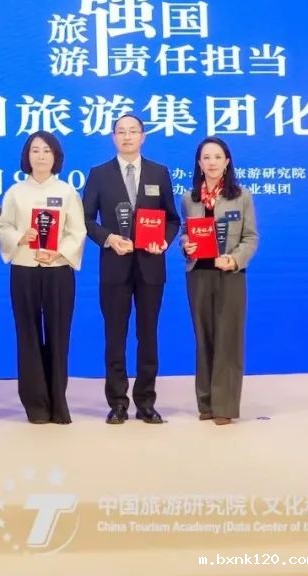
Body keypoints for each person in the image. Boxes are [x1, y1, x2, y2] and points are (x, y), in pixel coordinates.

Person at [82, 114, 179, 425]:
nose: (127, 137)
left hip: (151, 266)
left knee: (148, 335)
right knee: (115, 336)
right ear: (113, 137)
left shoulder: (159, 173)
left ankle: (146, 402)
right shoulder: (99, 174)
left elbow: (172, 219)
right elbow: (85, 219)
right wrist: (108, 238)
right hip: (115, 266)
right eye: (121, 132)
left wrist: (163, 241)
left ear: (143, 136)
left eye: (133, 131)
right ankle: (117, 403)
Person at [0, 131, 87, 424]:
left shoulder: (67, 192)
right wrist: (20, 237)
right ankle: (35, 405)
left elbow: (77, 232)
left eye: (47, 150)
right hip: (24, 269)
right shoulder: (15, 192)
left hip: (58, 271)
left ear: (56, 156)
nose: (41, 156)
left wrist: (59, 252)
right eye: (35, 150)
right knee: (28, 336)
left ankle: (58, 403)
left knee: (59, 336)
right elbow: (2, 227)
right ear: (27, 156)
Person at [180, 137, 259, 426]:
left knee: (228, 339)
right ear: (199, 164)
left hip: (230, 275)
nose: (211, 162)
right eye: (206, 157)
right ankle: (206, 403)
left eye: (217, 157)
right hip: (198, 275)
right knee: (204, 338)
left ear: (227, 162)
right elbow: (185, 233)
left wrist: (235, 259)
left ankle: (224, 405)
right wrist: (186, 244)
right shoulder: (190, 198)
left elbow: (250, 237)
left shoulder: (241, 196)